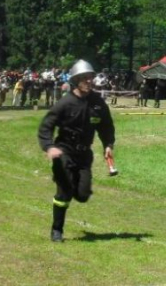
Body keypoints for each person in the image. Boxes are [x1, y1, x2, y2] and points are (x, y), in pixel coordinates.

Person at [37, 59, 116, 242]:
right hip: (64, 152)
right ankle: (57, 230)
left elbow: (107, 127)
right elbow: (45, 127)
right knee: (64, 193)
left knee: (82, 195)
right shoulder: (65, 103)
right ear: (76, 80)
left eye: (91, 78)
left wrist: (108, 145)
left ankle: (70, 185)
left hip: (84, 155)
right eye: (84, 78)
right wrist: (49, 147)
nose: (89, 81)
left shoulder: (98, 103)